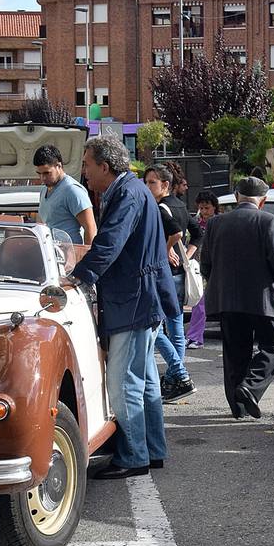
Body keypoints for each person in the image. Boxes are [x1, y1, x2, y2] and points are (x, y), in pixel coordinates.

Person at [61, 136, 175, 478]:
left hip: (133, 298)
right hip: (143, 295)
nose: (85, 171)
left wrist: (78, 277)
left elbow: (109, 242)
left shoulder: (126, 193)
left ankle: (135, 455)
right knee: (145, 378)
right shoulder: (134, 190)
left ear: (104, 167)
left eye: (87, 164)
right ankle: (151, 450)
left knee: (124, 381)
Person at [200, 176, 274, 419]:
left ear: (237, 197)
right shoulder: (269, 221)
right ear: (263, 201)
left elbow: (205, 263)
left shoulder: (216, 223)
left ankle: (238, 407)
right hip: (260, 298)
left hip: (227, 298)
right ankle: (249, 387)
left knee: (235, 352)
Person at [145, 165, 194, 404]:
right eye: (146, 182)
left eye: (152, 182)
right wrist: (186, 253)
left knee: (156, 329)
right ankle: (177, 378)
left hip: (164, 275)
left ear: (165, 185)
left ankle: (179, 375)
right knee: (175, 329)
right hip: (176, 274)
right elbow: (195, 233)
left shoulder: (160, 207)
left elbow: (176, 233)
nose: (147, 187)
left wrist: (164, 252)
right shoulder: (180, 205)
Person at [34, 144, 97, 246]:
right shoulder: (44, 190)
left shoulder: (73, 190)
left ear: (58, 166)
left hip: (71, 256)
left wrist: (85, 258)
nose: (42, 178)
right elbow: (42, 223)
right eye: (39, 173)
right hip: (51, 255)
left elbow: (90, 228)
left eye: (47, 173)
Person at [185, 191, 217, 349]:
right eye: (201, 208)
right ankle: (194, 336)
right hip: (198, 267)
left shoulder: (218, 223)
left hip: (215, 267)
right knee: (199, 303)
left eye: (207, 208)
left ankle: (195, 336)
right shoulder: (195, 223)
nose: (204, 211)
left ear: (214, 208)